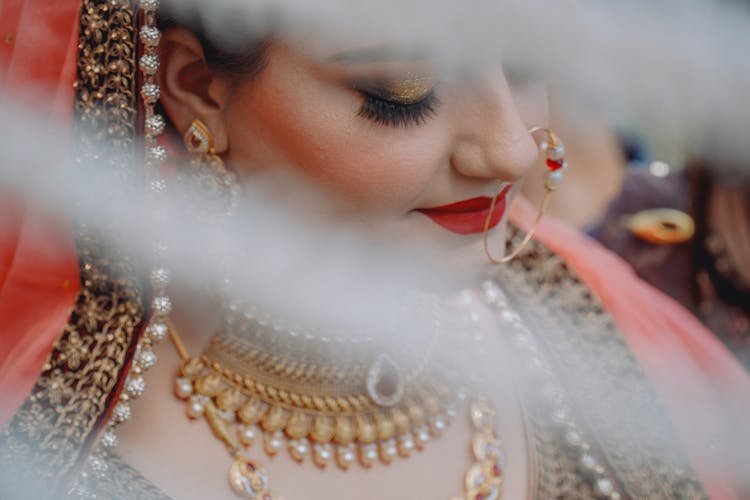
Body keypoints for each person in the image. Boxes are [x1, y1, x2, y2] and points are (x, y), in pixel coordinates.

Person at [1, 1, 749, 499]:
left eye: (525, 62)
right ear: (196, 88)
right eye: (402, 87)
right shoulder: (63, 451)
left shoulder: (600, 323)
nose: (509, 149)